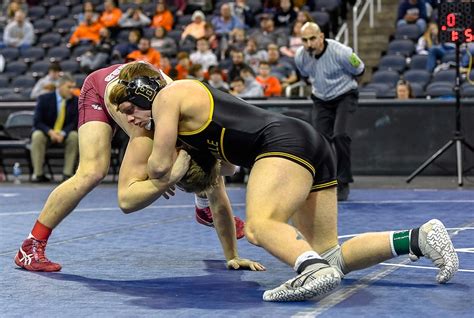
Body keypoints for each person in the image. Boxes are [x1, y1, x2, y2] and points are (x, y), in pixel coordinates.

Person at [109, 62, 459, 302]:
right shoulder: (191, 112)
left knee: (261, 227)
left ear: (144, 93)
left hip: (280, 144)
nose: (131, 120)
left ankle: (311, 271)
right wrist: (191, 160)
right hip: (307, 143)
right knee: (330, 254)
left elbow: (156, 167)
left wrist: (171, 170)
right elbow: (229, 170)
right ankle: (418, 237)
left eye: (128, 110)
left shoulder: (167, 97)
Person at [14, 62, 244, 273]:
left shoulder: (196, 124)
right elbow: (125, 200)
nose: (131, 120)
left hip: (146, 95)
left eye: (131, 112)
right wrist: (164, 180)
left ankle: (203, 207)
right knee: (92, 172)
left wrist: (232, 256)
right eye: (127, 113)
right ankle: (31, 245)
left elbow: (221, 180)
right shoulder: (144, 135)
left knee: (212, 165)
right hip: (100, 87)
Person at [295, 22, 362, 201]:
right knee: (320, 140)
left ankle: (343, 182)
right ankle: (325, 181)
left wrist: (340, 86)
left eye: (312, 38)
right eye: (304, 40)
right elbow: (305, 76)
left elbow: (359, 69)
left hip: (345, 95)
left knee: (340, 135)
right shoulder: (300, 57)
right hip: (321, 99)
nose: (309, 44)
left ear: (321, 37)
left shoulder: (342, 52)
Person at [30, 73, 79, 182]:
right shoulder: (44, 99)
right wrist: (50, 132)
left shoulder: (75, 101)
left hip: (64, 134)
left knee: (74, 136)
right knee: (37, 135)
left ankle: (67, 174)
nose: (72, 90)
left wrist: (62, 133)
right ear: (60, 86)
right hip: (47, 133)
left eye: (73, 87)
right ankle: (38, 174)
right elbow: (37, 122)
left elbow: (74, 123)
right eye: (69, 87)